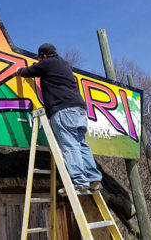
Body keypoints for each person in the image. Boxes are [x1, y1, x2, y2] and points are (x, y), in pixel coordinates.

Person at [16, 43, 102, 192]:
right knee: (81, 144)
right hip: (79, 110)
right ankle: (94, 179)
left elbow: (28, 71)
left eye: (40, 57)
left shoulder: (47, 63)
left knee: (70, 146)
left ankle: (80, 182)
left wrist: (18, 70)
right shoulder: (65, 65)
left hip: (63, 109)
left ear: (43, 55)